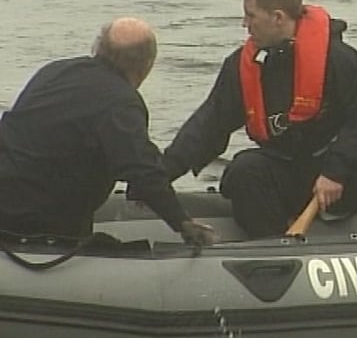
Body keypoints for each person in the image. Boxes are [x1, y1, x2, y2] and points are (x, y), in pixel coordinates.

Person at [160, 0, 357, 237]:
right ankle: (273, 251)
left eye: (251, 16)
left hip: (339, 171)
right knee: (244, 172)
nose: (245, 24)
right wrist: (161, 176)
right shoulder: (241, 66)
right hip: (284, 173)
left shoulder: (338, 59)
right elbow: (208, 125)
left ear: (277, 18)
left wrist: (336, 171)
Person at [0, 17, 217, 247]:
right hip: (41, 226)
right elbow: (142, 171)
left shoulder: (54, 72)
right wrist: (183, 223)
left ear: (98, 48)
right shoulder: (121, 103)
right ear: (147, 65)